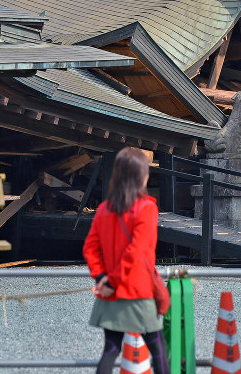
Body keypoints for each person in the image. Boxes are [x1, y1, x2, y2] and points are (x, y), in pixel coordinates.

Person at [83, 147, 170, 374]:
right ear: (141, 176)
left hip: (110, 293)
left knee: (111, 349)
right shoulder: (147, 208)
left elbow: (90, 248)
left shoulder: (104, 209)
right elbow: (135, 252)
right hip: (137, 290)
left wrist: (102, 278)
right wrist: (111, 281)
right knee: (158, 348)